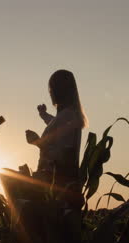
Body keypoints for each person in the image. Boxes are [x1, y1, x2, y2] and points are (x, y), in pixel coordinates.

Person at [26, 69, 88, 209]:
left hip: (55, 187)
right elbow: (58, 127)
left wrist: (37, 142)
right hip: (56, 184)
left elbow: (63, 156)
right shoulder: (69, 115)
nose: (50, 92)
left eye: (52, 89)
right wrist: (44, 115)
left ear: (60, 90)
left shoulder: (68, 116)